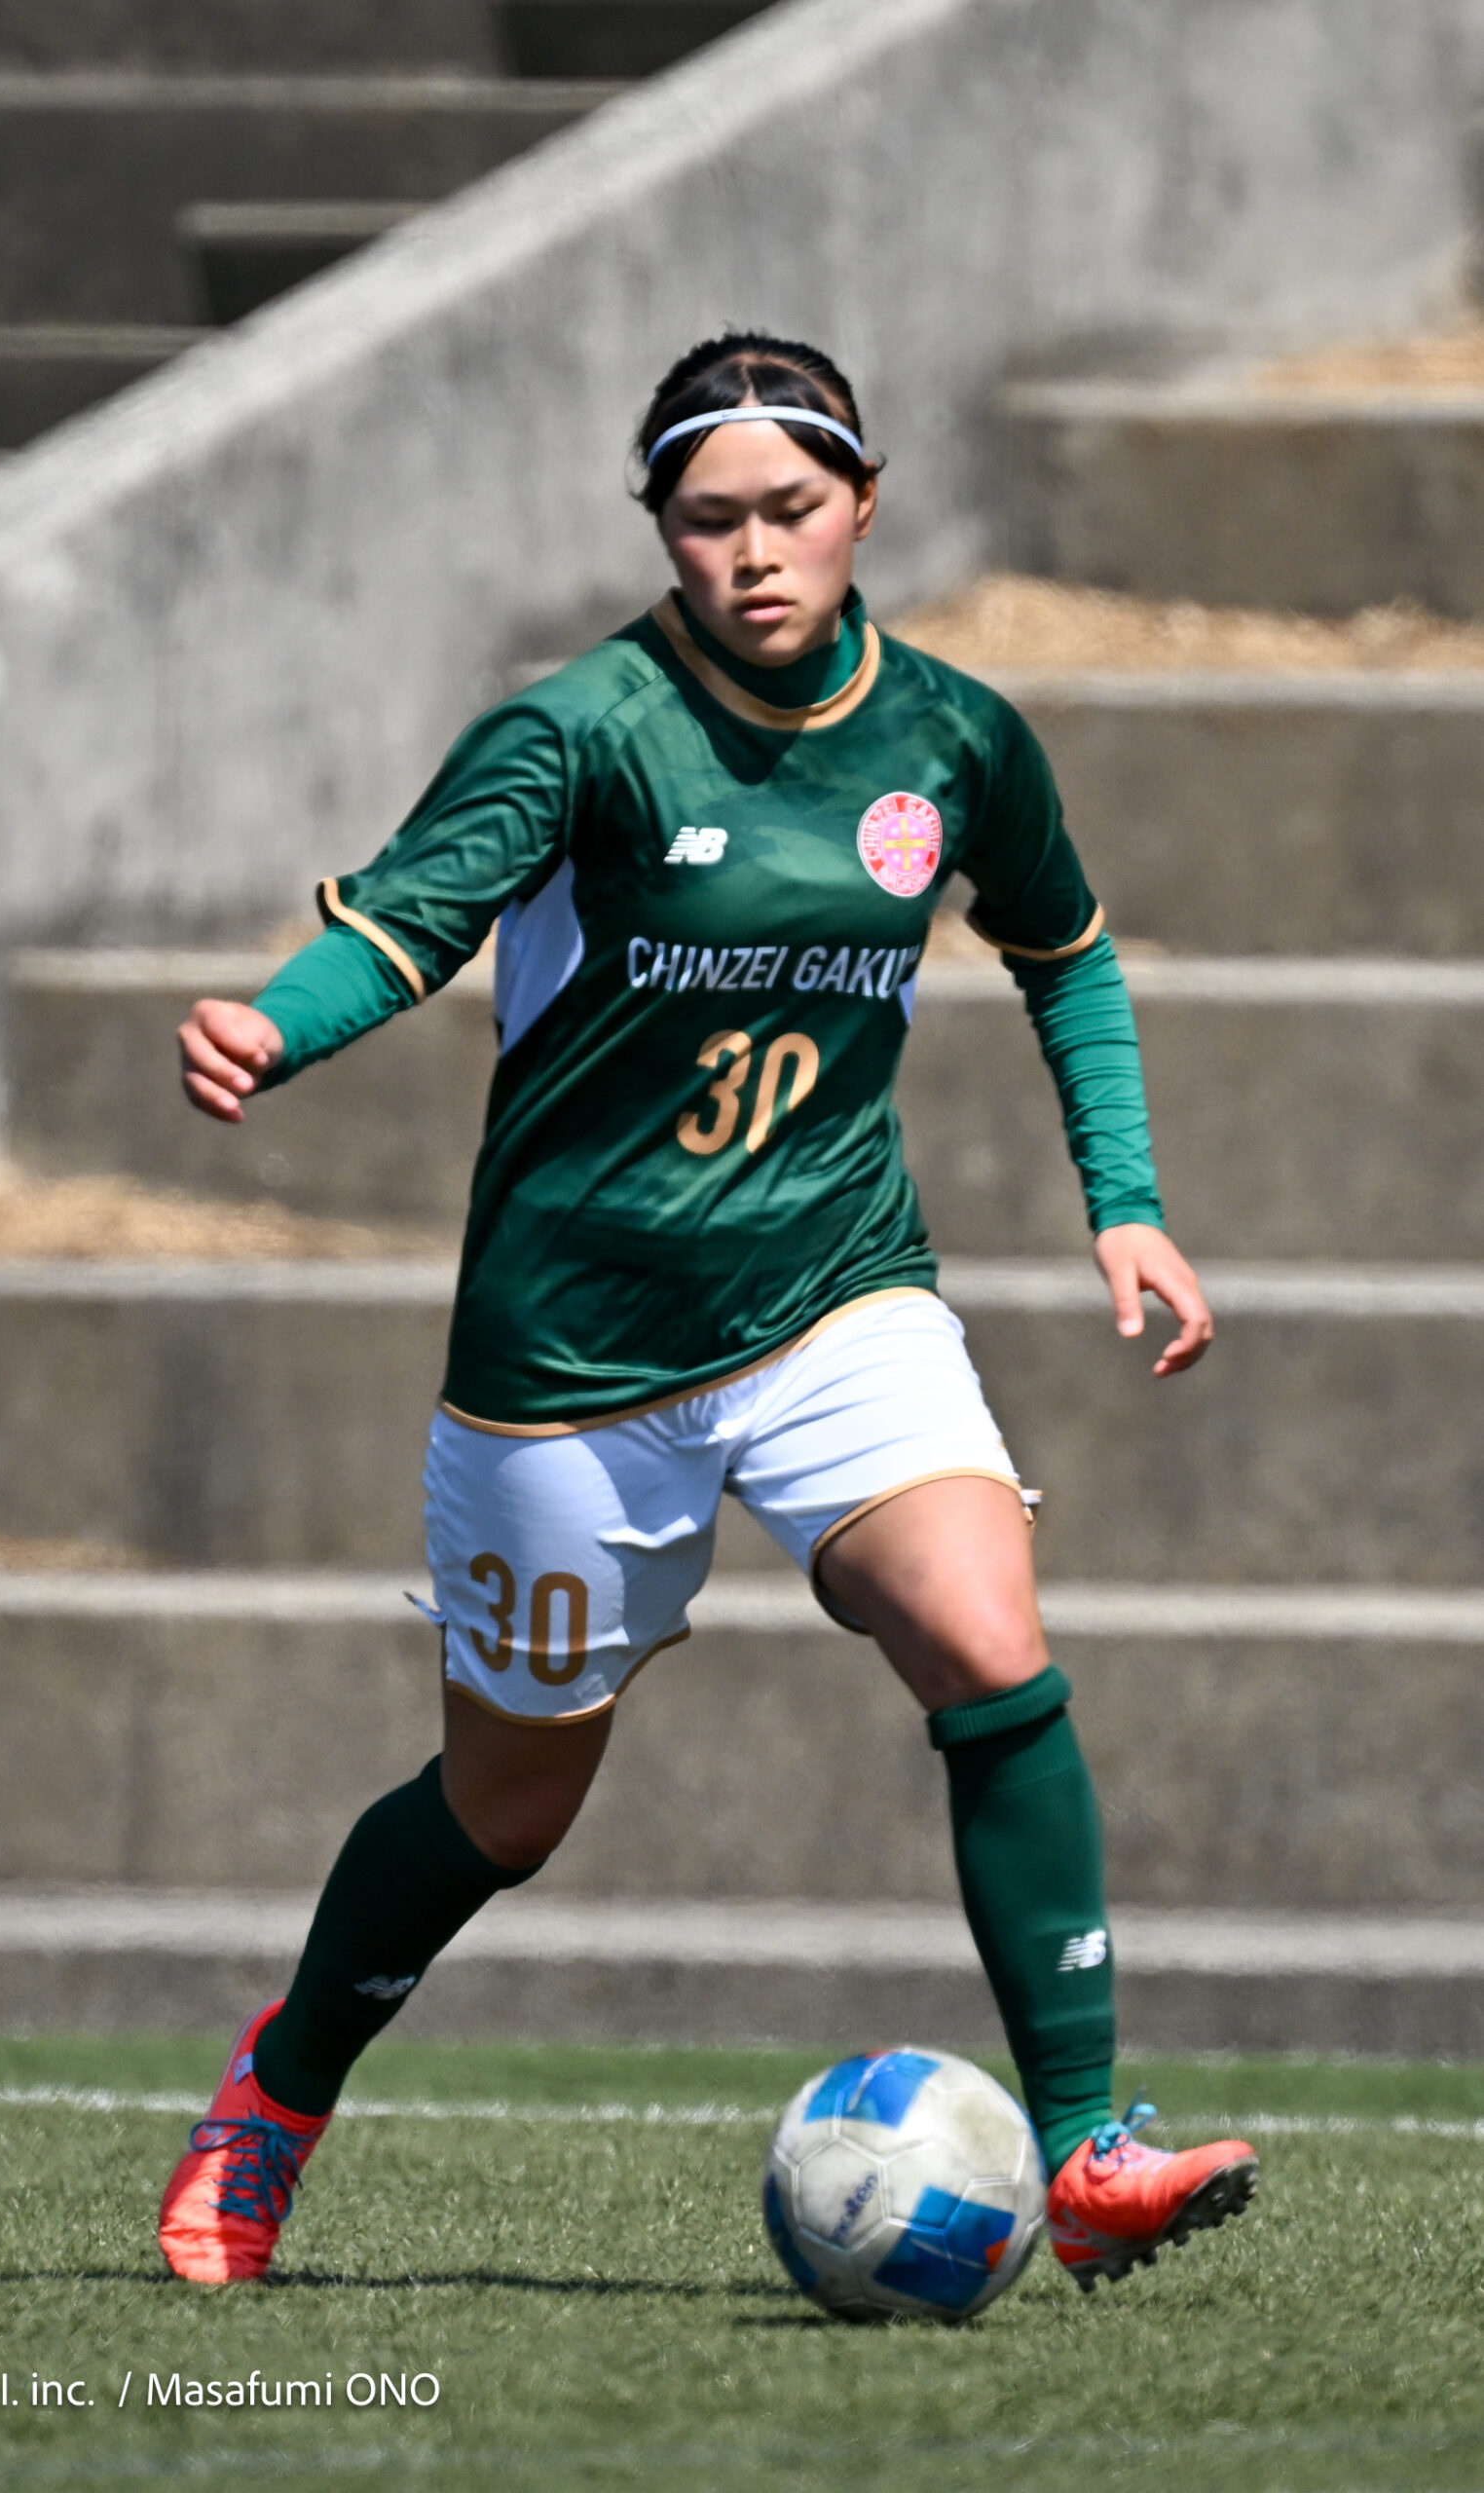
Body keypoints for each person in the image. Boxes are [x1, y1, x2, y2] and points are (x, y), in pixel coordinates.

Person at [162, 332, 1257, 2289]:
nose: (753, 551)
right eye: (706, 517)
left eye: (789, 509)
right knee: (506, 1808)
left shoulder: (953, 740)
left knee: (985, 1636)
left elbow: (1065, 952)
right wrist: (274, 1025)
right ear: (659, 528)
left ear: (863, 502)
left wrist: (1129, 1208)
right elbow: (402, 924)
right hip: (571, 1357)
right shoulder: (580, 730)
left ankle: (1088, 2144)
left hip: (835, 1296)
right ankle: (280, 2085)